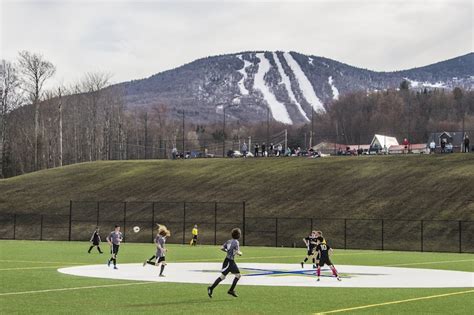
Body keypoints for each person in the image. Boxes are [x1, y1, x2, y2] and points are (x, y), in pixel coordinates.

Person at [208, 228, 242, 298]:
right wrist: (240, 253)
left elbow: (222, 248)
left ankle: (211, 288)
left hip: (227, 260)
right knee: (237, 275)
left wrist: (228, 251)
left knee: (223, 277)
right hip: (230, 262)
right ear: (238, 235)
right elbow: (237, 252)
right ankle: (231, 290)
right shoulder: (236, 242)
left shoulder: (229, 241)